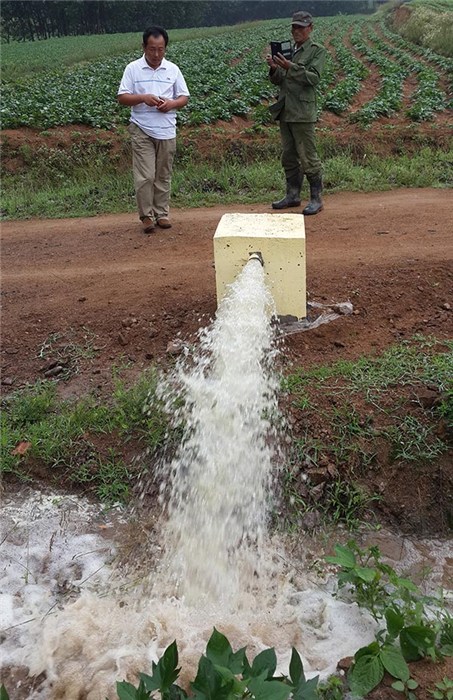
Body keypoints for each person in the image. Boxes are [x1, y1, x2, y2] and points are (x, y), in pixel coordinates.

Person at [118, 26, 190, 234]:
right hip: (142, 128)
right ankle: (146, 216)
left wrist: (172, 104)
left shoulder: (173, 70)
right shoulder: (133, 69)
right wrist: (143, 98)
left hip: (167, 129)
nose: (156, 54)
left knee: (163, 175)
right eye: (152, 49)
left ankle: (162, 214)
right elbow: (122, 97)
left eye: (160, 49)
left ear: (165, 48)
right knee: (146, 176)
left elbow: (184, 97)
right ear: (144, 47)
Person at [266, 11, 326, 215]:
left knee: (308, 156)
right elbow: (280, 80)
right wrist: (275, 69)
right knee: (289, 156)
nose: (296, 31)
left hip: (302, 112)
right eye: (294, 27)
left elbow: (313, 78)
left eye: (300, 27)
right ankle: (292, 195)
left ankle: (316, 199)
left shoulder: (317, 51)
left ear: (311, 28)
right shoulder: (289, 51)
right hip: (286, 110)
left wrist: (290, 66)